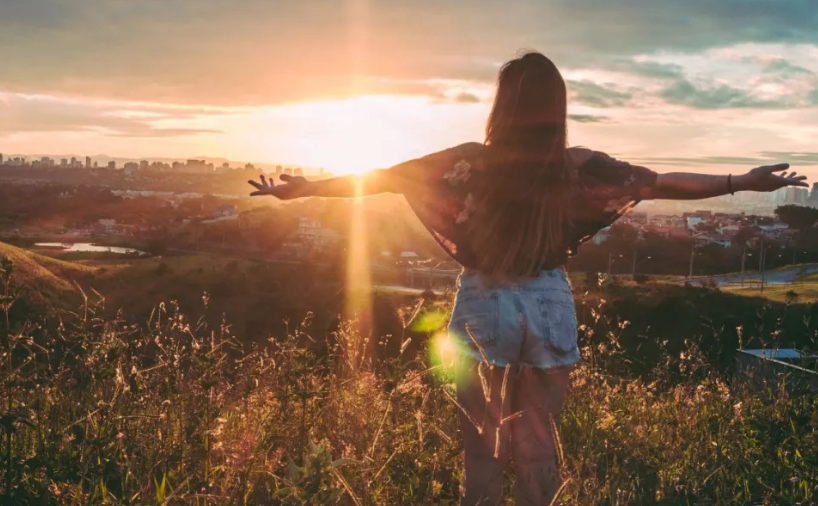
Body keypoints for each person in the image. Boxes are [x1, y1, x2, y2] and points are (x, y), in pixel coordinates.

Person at [249, 51, 807, 505]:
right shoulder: (578, 166)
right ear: (556, 107)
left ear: (501, 106)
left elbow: (380, 179)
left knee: (482, 449)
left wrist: (302, 189)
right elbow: (661, 182)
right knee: (540, 448)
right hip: (548, 302)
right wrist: (741, 179)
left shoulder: (468, 161)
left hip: (484, 300)